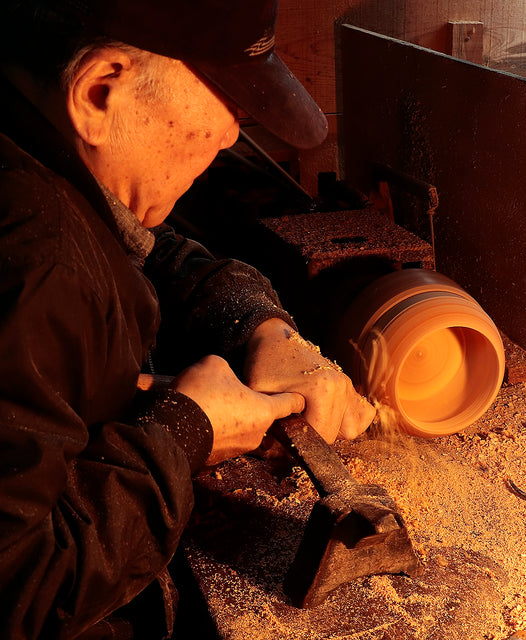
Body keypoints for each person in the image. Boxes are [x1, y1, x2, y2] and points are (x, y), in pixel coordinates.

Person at [0, 0, 376, 637]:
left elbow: (137, 251)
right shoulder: (34, 261)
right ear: (100, 92)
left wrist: (259, 326)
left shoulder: (41, 152)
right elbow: (23, 593)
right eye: (225, 96)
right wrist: (182, 433)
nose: (233, 134)